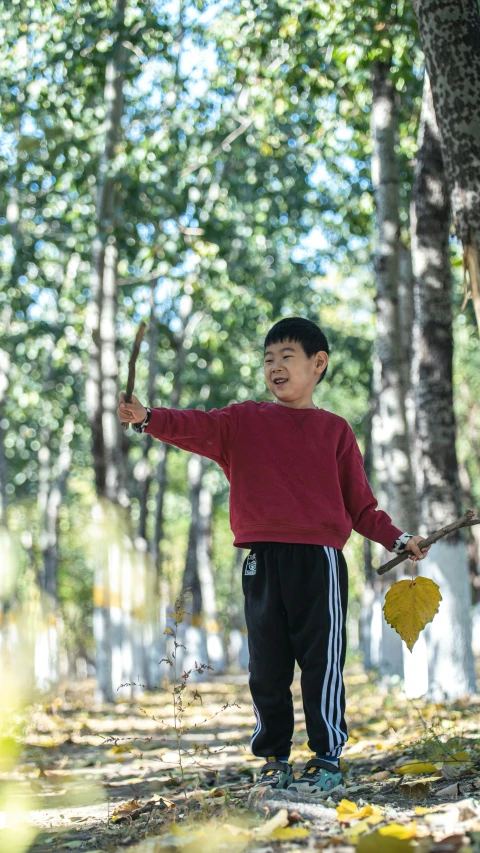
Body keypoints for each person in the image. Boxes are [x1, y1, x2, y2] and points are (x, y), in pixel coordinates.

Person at [117, 316, 430, 800]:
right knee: (266, 665)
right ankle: (273, 760)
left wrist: (397, 539)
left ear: (317, 364)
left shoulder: (335, 431)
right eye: (268, 359)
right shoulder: (243, 421)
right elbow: (194, 425)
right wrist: (149, 418)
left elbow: (361, 507)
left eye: (287, 357)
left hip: (320, 563)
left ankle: (327, 758)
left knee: (322, 663)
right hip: (261, 562)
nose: (275, 367)